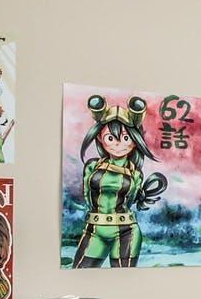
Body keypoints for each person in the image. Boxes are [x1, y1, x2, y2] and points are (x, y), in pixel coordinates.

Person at [70, 95, 166, 267]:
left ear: (135, 142)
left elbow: (134, 198)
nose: (118, 144)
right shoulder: (92, 166)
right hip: (94, 229)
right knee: (78, 273)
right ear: (100, 138)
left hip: (126, 231)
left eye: (126, 138)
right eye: (110, 138)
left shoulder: (136, 173)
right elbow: (87, 195)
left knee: (125, 282)